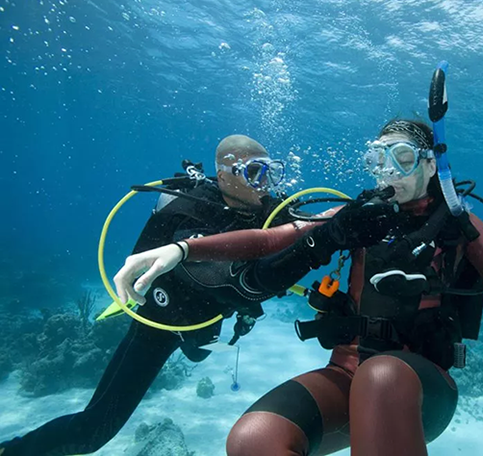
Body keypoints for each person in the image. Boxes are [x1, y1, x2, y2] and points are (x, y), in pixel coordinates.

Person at [112, 120, 483, 456]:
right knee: (253, 440)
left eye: (402, 157)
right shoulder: (360, 215)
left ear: (431, 162)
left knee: (384, 373)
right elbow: (274, 240)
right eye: (378, 159)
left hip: (420, 387)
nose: (388, 172)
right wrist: (182, 248)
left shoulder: (459, 225)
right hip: (346, 375)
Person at [0, 135, 293, 456]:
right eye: (254, 173)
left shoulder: (271, 211)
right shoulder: (187, 211)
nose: (265, 184)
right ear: (223, 176)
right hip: (161, 320)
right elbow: (165, 268)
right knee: (93, 430)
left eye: (270, 172)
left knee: (198, 354)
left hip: (207, 315)